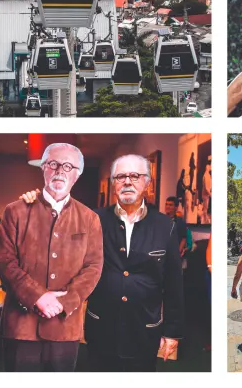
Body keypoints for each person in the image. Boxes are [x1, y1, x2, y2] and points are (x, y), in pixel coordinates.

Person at [0, 143, 104, 372]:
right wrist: (38, 296)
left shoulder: (90, 218)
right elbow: (5, 261)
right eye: (53, 164)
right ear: (43, 168)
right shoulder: (15, 211)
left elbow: (93, 267)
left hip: (65, 325)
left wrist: (65, 302)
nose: (60, 171)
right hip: (20, 326)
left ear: (78, 174)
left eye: (68, 166)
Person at [84, 154, 183, 371]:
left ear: (147, 183)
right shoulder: (94, 220)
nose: (127, 181)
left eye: (135, 176)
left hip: (144, 332)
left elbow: (174, 283)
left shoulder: (165, 225)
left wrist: (172, 331)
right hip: (101, 329)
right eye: (120, 176)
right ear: (113, 184)